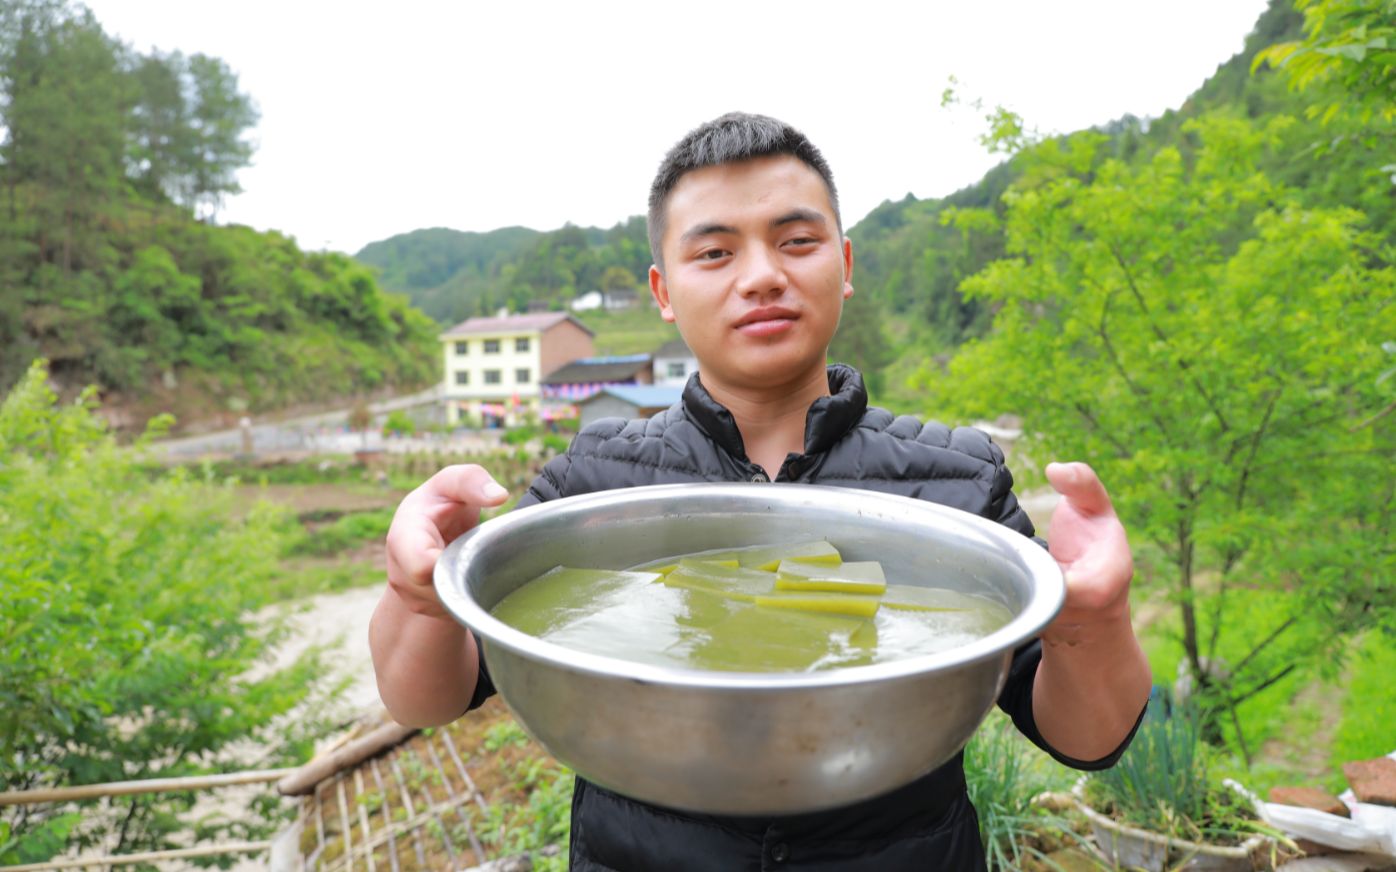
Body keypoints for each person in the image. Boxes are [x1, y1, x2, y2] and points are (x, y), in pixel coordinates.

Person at [370, 112, 1153, 870]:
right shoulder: (593, 484)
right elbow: (425, 699)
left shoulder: (957, 481)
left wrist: (1094, 619)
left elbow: (1086, 739)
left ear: (843, 266)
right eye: (714, 253)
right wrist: (419, 590)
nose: (762, 276)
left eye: (797, 241)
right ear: (664, 290)